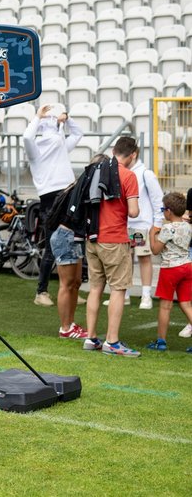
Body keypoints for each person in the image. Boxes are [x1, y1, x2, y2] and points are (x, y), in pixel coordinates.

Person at [82, 138, 141, 357]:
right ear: (132, 154)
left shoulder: (95, 169)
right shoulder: (128, 175)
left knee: (95, 288)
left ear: (114, 150)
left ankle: (91, 337)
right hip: (115, 239)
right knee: (118, 289)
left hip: (92, 237)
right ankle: (112, 341)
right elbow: (134, 212)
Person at [22, 104, 83, 307]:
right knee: (51, 247)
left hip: (68, 195)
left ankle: (72, 287)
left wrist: (67, 118)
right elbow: (27, 137)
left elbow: (78, 133)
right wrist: (38, 117)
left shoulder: (60, 145)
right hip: (50, 200)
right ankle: (41, 292)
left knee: (73, 243)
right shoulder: (36, 149)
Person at [46, 155, 107, 340]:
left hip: (72, 237)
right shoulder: (83, 186)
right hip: (66, 236)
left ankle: (70, 324)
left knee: (76, 283)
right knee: (67, 284)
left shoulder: (80, 184)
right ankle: (65, 327)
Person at [145, 192, 192, 351]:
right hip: (187, 267)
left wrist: (152, 234)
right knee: (186, 305)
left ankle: (161, 342)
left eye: (163, 209)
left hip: (171, 269)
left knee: (165, 306)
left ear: (169, 211)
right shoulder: (188, 226)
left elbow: (156, 250)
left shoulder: (167, 228)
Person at [124, 149, 164, 309]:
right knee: (124, 259)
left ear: (132, 154)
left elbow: (157, 200)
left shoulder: (145, 173)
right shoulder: (123, 172)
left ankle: (146, 296)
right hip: (124, 224)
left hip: (140, 225)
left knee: (143, 258)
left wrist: (157, 224)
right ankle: (124, 294)